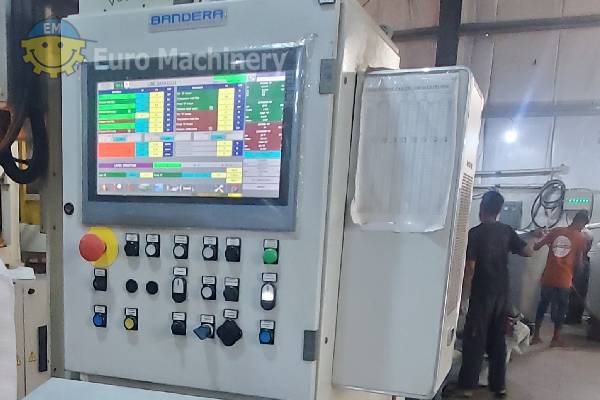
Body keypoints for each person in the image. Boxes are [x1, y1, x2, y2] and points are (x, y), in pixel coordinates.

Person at [458, 191, 534, 398]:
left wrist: (463, 298)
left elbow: (470, 268)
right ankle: (499, 387)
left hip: (482, 295)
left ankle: (466, 388)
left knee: (474, 340)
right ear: (499, 210)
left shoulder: (475, 233)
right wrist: (532, 237)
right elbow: (528, 252)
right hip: (502, 294)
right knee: (498, 340)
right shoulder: (506, 231)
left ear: (481, 208)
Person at [532, 210, 590, 347]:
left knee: (543, 304)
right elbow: (579, 263)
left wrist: (538, 238)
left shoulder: (556, 231)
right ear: (581, 222)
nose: (582, 227)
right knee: (562, 307)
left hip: (548, 276)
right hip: (564, 278)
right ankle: (555, 339)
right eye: (583, 225)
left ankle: (536, 336)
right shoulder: (581, 238)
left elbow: (536, 247)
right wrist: (578, 275)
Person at [565, 229, 594, 325]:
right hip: (581, 263)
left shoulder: (582, 247)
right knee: (579, 292)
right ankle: (575, 317)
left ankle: (573, 317)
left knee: (577, 292)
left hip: (581, 263)